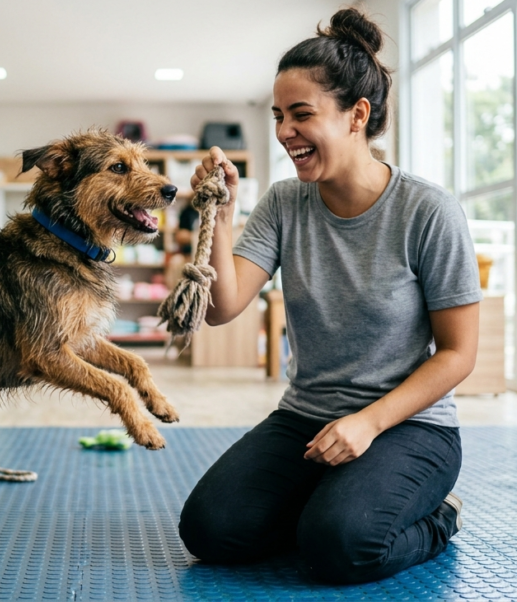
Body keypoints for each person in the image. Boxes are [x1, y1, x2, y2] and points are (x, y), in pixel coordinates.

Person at [178, 7, 481, 585]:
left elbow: (458, 354)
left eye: (301, 115)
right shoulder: (285, 203)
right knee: (211, 531)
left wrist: (368, 423)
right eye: (278, 116)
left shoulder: (427, 211)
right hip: (306, 420)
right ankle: (330, 505)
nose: (284, 132)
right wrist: (220, 214)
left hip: (410, 427)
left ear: (356, 116)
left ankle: (439, 517)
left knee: (338, 547)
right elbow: (221, 309)